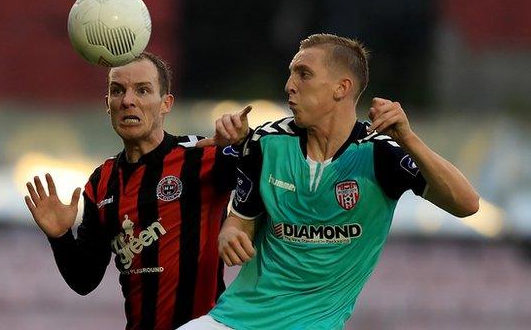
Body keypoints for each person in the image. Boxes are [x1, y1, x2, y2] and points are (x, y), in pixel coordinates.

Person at [180, 33, 480, 330]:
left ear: (341, 88)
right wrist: (230, 233)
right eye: (291, 74)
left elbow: (467, 204)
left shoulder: (379, 154)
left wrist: (409, 139)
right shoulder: (265, 142)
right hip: (234, 319)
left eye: (304, 74)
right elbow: (242, 219)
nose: (289, 85)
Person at [24, 52, 250, 330]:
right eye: (117, 91)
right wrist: (60, 238)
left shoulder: (201, 157)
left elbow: (267, 176)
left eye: (142, 90)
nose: (128, 101)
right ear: (108, 104)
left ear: (166, 104)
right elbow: (84, 280)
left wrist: (242, 144)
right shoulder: (101, 182)